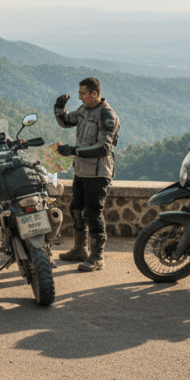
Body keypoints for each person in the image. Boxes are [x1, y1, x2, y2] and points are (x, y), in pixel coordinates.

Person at [53, 77, 120, 272]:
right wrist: (59, 107)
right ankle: (79, 250)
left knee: (92, 212)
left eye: (83, 94)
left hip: (98, 173)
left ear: (94, 94)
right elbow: (66, 122)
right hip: (81, 170)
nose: (80, 97)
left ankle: (97, 256)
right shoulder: (84, 110)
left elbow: (103, 148)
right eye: (79, 93)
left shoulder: (107, 115)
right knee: (76, 209)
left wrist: (74, 151)